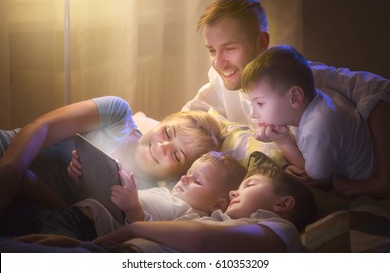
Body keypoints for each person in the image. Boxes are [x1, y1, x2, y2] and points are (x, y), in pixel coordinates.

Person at [182, 0, 390, 198]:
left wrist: (382, 179)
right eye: (211, 50)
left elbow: (380, 91)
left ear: (262, 42)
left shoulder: (305, 80)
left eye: (229, 48)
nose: (219, 63)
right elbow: (186, 118)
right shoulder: (222, 79)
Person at [0, 96, 226, 220]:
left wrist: (30, 185)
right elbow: (42, 128)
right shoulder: (118, 115)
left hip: (30, 200)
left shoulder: (146, 197)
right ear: (164, 122)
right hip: (8, 154)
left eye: (177, 155)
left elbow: (78, 216)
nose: (162, 147)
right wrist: (11, 171)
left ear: (179, 174)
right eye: (167, 132)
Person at [0, 165, 317, 253]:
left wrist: (135, 226)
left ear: (282, 204)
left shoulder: (281, 231)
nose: (236, 190)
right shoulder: (221, 220)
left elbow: (201, 241)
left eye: (248, 186)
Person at [241, 45, 375, 191]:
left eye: (260, 103)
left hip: (365, 177)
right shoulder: (315, 102)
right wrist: (283, 138)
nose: (253, 113)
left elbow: (318, 181)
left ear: (295, 97)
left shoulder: (318, 127)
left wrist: (282, 141)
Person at [40, 151, 246, 240]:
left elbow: (153, 233)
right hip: (71, 213)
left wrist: (133, 209)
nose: (184, 179)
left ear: (218, 205)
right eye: (187, 174)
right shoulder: (164, 191)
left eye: (197, 181)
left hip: (86, 228)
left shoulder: (192, 217)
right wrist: (84, 175)